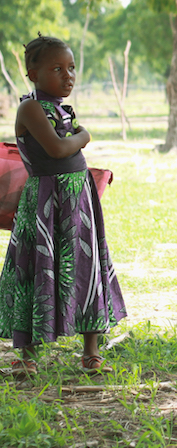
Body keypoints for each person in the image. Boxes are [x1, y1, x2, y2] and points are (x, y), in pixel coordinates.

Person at [0, 36, 127, 376]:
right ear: (32, 73)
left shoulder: (61, 107)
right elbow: (57, 149)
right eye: (57, 69)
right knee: (34, 269)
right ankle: (26, 355)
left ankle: (91, 351)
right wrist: (84, 137)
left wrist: (78, 138)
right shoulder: (30, 108)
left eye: (71, 68)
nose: (68, 75)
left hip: (76, 199)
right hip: (44, 201)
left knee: (85, 266)